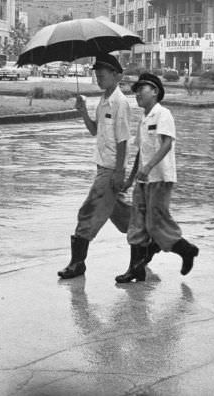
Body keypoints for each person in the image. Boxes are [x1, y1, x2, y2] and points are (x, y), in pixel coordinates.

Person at [114, 73, 199, 284]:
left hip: (160, 178)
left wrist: (149, 167)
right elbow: (141, 152)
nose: (137, 94)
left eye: (141, 89)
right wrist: (131, 179)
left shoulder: (163, 114)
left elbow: (167, 144)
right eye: (135, 91)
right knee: (137, 224)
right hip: (143, 180)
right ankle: (135, 270)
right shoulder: (143, 119)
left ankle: (186, 250)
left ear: (155, 91)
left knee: (156, 223)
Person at [57, 53, 132, 280]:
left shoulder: (120, 102)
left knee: (88, 212)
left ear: (116, 76)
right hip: (102, 166)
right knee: (124, 216)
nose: (99, 79)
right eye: (97, 75)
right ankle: (148, 238)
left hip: (110, 170)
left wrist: (119, 172)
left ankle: (77, 263)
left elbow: (123, 140)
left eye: (102, 75)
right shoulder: (103, 100)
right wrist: (83, 112)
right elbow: (94, 130)